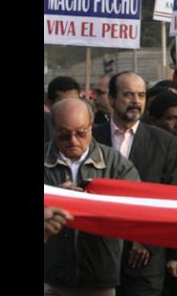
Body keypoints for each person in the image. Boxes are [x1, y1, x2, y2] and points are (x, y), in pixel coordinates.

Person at [93, 72, 177, 296]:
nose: (136, 101)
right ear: (112, 99)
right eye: (128, 94)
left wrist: (145, 239)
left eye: (141, 95)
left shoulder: (164, 142)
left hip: (145, 259)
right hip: (97, 254)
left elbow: (171, 198)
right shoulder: (91, 139)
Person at [44, 98, 140, 295]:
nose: (73, 141)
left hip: (99, 276)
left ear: (91, 127)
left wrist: (90, 202)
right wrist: (55, 199)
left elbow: (134, 208)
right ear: (53, 129)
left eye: (81, 133)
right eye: (64, 135)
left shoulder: (115, 163)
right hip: (49, 277)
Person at [45, 76, 82, 143]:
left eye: (76, 102)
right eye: (65, 105)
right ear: (50, 104)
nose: (72, 108)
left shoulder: (91, 129)